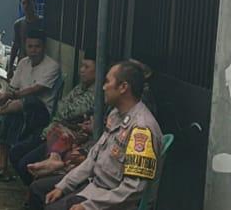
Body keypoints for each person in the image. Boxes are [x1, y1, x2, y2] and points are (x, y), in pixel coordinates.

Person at [29, 60, 163, 210]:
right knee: (37, 189)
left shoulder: (141, 129)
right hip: (94, 185)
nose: (103, 87)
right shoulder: (116, 114)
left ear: (123, 87)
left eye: (107, 82)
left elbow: (133, 190)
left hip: (110, 199)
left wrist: (88, 206)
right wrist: (64, 186)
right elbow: (93, 157)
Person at [0, 28, 60, 180]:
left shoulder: (52, 66)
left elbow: (36, 89)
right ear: (25, 47)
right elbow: (13, 87)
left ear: (43, 47)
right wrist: (5, 97)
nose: (33, 50)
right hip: (19, 108)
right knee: (11, 115)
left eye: (37, 47)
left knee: (29, 101)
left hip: (41, 111)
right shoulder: (23, 63)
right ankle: (2, 167)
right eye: (30, 46)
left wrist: (11, 96)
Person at [13, 57, 97, 185]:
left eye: (87, 67)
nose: (81, 70)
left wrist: (64, 111)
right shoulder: (81, 87)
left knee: (25, 164)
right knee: (16, 152)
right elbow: (62, 108)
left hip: (67, 137)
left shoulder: (97, 94)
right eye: (81, 66)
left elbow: (68, 112)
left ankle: (35, 189)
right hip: (53, 130)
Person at [8, 0, 43, 74]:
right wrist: (10, 67)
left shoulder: (42, 22)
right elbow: (15, 46)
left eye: (29, 3)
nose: (26, 6)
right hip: (23, 62)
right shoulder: (18, 24)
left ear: (34, 5)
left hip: (39, 63)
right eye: (23, 3)